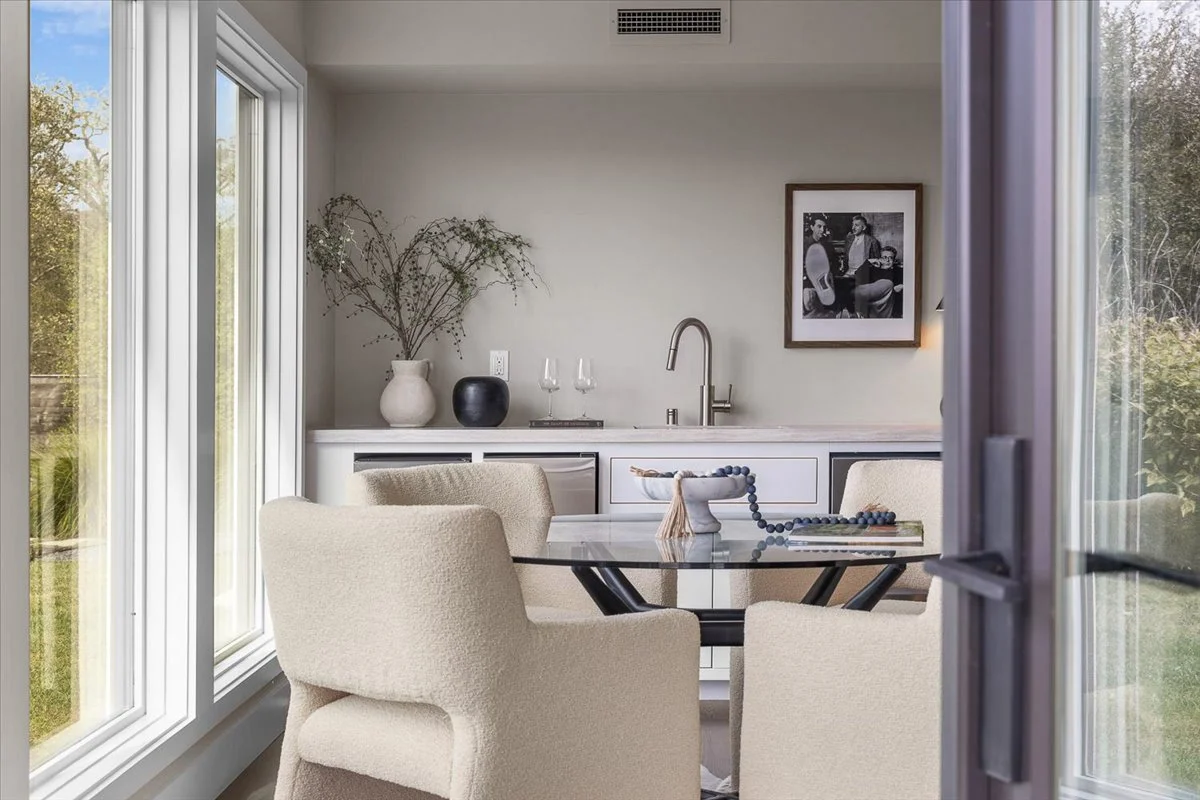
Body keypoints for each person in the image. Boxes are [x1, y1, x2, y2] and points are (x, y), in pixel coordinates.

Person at [801, 214, 841, 317]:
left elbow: (836, 263)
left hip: (826, 280)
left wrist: (831, 274)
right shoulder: (803, 244)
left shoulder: (828, 246)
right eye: (819, 226)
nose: (822, 230)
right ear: (812, 227)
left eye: (824, 227)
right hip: (808, 280)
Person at [852, 244, 904, 318]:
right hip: (871, 300)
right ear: (879, 259)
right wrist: (869, 261)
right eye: (884, 257)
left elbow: (909, 283)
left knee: (888, 284)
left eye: (891, 258)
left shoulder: (898, 271)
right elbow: (858, 274)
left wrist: (900, 287)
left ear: (894, 260)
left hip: (887, 303)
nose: (887, 260)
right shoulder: (873, 270)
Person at [843, 214, 881, 278]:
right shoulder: (849, 238)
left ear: (863, 227)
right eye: (853, 225)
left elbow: (876, 260)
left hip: (863, 275)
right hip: (848, 273)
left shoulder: (872, 241)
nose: (853, 228)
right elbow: (845, 258)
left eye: (856, 225)